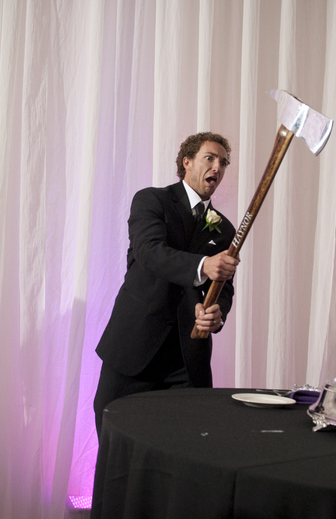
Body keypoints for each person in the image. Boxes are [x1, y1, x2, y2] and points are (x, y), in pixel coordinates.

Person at [94, 132, 240, 434]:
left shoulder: (224, 228)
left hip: (186, 359)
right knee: (115, 438)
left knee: (184, 444)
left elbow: (224, 286)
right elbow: (150, 253)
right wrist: (204, 265)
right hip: (135, 346)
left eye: (223, 162)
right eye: (209, 158)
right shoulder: (151, 200)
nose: (217, 167)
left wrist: (217, 312)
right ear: (186, 162)